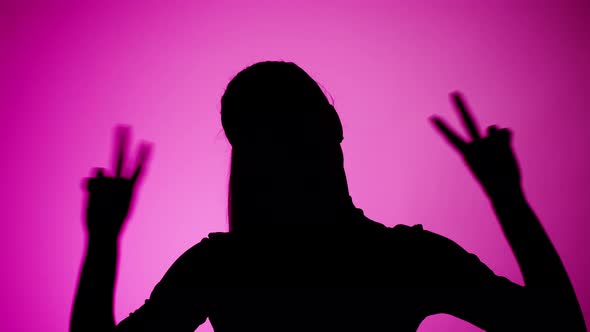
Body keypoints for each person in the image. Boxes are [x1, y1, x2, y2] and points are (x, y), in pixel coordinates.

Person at [70, 61, 586, 332]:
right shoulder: (402, 259)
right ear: (333, 124)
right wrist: (506, 196)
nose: (290, 141)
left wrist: (103, 241)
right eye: (275, 126)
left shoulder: (221, 267)